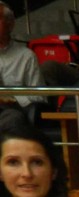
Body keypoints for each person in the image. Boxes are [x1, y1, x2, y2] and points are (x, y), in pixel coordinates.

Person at [0, 2, 45, 132]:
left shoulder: (26, 56)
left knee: (12, 118)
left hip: (10, 112)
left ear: (10, 24)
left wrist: (13, 99)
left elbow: (40, 98)